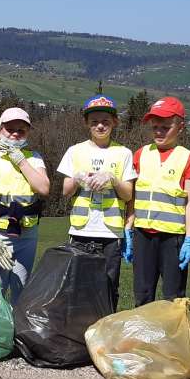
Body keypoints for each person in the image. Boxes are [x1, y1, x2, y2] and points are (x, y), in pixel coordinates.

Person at [57, 95, 136, 310]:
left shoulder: (123, 153)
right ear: (86, 123)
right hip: (81, 231)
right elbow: (65, 191)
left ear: (115, 122)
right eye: (94, 122)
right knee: (77, 287)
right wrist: (77, 177)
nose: (100, 126)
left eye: (105, 121)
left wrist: (112, 178)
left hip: (110, 234)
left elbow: (128, 194)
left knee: (108, 288)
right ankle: (78, 335)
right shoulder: (75, 151)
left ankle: (104, 335)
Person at [129, 97, 190, 306]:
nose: (159, 132)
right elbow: (132, 195)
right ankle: (143, 338)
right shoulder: (140, 155)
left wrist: (189, 238)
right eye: (155, 127)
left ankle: (173, 338)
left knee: (173, 297)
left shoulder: (186, 157)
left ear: (180, 127)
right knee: (142, 293)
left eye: (166, 127)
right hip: (143, 235)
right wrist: (128, 226)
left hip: (173, 238)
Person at [0, 107, 50, 305]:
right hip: (0, 235)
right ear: (0, 131)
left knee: (21, 286)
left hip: (28, 234)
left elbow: (43, 188)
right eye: (10, 129)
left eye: (21, 130)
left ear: (28, 132)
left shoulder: (34, 158)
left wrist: (22, 162)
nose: (15, 133)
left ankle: (16, 332)